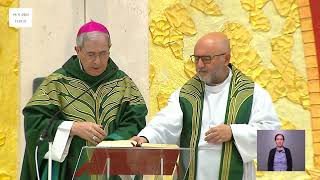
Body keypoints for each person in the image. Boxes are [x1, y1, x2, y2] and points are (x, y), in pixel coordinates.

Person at [131, 32, 280, 180]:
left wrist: (233, 132)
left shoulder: (252, 93)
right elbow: (165, 122)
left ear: (226, 58)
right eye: (196, 59)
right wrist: (145, 136)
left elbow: (274, 137)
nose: (199, 65)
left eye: (206, 59)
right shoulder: (186, 94)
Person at [20, 20, 148, 180]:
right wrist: (71, 128)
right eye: (91, 54)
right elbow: (35, 123)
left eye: (103, 53)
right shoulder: (57, 83)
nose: (97, 61)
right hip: (71, 171)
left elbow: (135, 122)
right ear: (78, 50)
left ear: (109, 49)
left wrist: (111, 143)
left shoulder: (123, 84)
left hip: (112, 171)